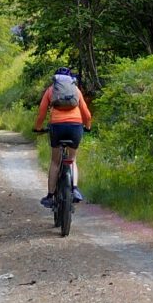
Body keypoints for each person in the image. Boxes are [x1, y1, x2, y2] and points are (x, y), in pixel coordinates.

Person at [33, 67, 92, 207]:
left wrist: (38, 128)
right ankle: (75, 189)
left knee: (55, 162)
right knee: (72, 160)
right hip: (75, 127)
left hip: (57, 127)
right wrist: (88, 127)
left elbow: (41, 114)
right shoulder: (76, 91)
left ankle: (50, 196)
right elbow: (87, 115)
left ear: (56, 79)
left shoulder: (51, 90)